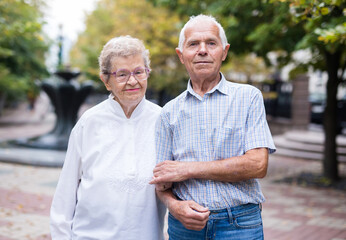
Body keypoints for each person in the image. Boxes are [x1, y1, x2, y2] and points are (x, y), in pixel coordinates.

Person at [150, 14, 276, 239]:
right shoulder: (168, 112)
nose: (202, 50)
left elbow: (258, 165)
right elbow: (162, 182)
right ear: (181, 55)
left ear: (224, 51)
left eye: (211, 43)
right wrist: (174, 206)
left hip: (239, 225)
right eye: (193, 44)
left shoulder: (248, 97)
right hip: (185, 227)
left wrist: (187, 169)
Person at [50, 36, 166, 239]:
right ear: (106, 81)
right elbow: (66, 191)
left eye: (139, 72)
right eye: (122, 74)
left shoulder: (164, 120)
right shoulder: (89, 122)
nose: (133, 81)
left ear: (147, 73)